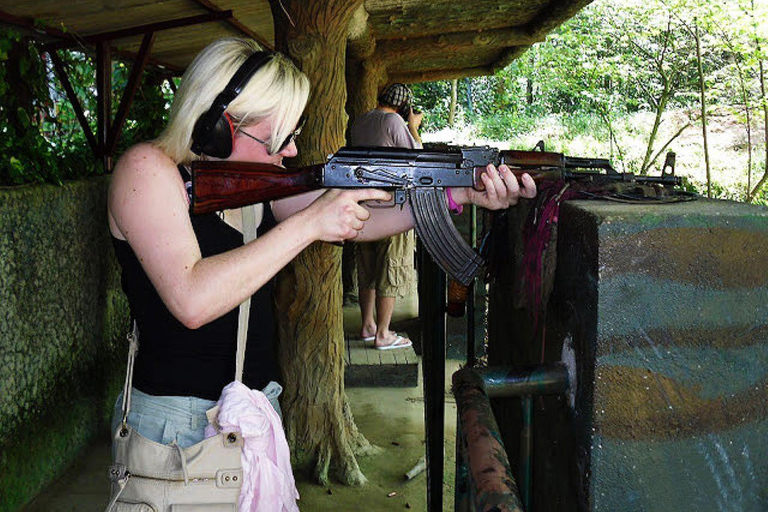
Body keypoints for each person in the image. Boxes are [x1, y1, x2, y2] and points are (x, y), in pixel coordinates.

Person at [107, 37, 536, 450]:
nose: (292, 151)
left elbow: (356, 220)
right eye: (279, 139)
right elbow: (192, 299)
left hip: (251, 410)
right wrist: (312, 223)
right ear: (219, 127)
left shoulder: (250, 186)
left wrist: (456, 193)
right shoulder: (146, 171)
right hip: (176, 429)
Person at [349, 83, 423, 350]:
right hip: (391, 205)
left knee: (367, 270)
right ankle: (383, 334)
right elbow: (416, 157)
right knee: (391, 269)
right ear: (404, 106)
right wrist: (413, 126)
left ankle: (367, 325)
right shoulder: (393, 120)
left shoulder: (361, 121)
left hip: (363, 203)